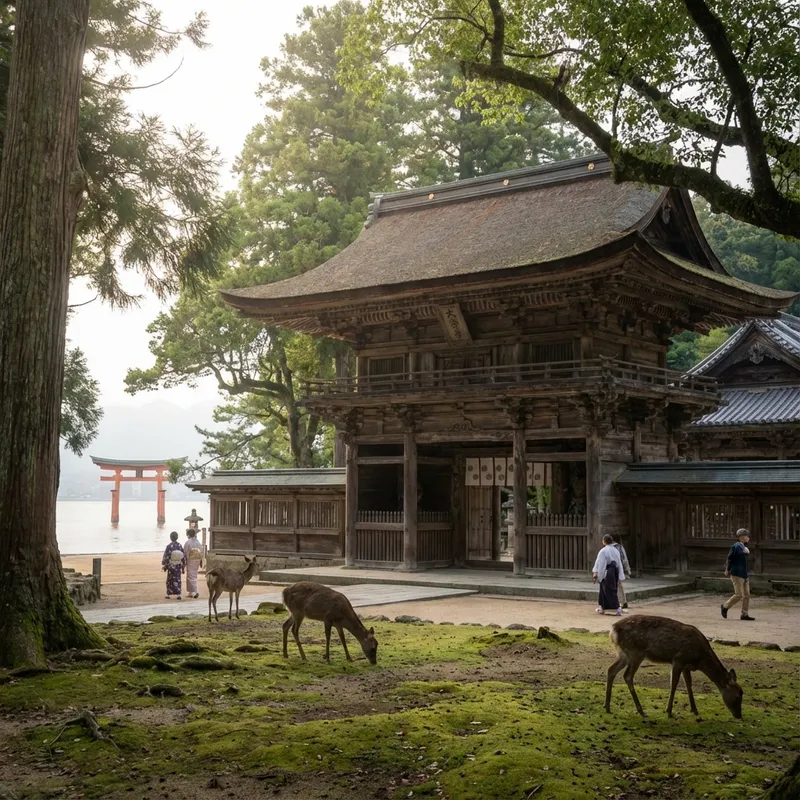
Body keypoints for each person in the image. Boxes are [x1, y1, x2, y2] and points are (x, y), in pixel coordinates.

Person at [721, 528, 754, 621]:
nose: (748, 538)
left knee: (747, 595)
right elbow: (729, 558)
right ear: (741, 537)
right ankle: (725, 606)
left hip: (744, 573)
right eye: (746, 536)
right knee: (739, 594)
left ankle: (744, 614)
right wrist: (727, 569)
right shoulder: (736, 546)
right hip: (736, 573)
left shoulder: (743, 546)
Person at [592, 534, 625, 615]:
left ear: (604, 541)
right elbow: (619, 563)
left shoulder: (603, 551)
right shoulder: (615, 550)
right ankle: (602, 607)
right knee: (604, 590)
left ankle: (617, 608)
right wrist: (620, 574)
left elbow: (600, 563)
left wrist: (597, 574)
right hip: (614, 571)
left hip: (607, 572)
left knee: (609, 590)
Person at [161, 530, 185, 600]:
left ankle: (168, 594)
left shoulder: (169, 546)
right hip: (178, 565)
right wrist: (183, 566)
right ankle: (179, 594)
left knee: (170, 579)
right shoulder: (179, 545)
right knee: (178, 579)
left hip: (171, 565)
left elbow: (166, 556)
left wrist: (165, 565)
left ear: (170, 538)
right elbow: (183, 556)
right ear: (177, 537)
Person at [612, 537, 632, 610]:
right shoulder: (620, 547)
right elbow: (625, 559)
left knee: (618, 586)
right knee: (619, 586)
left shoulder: (613, 548)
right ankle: (624, 601)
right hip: (619, 569)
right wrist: (627, 570)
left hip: (615, 569)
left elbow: (624, 559)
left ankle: (621, 602)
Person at [183, 527, 203, 599]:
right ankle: (190, 592)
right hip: (197, 560)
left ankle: (195, 592)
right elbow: (201, 551)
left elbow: (185, 552)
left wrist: (184, 561)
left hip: (190, 560)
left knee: (191, 576)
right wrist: (201, 560)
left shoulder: (188, 542)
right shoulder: (197, 542)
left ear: (188, 535)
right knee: (193, 575)